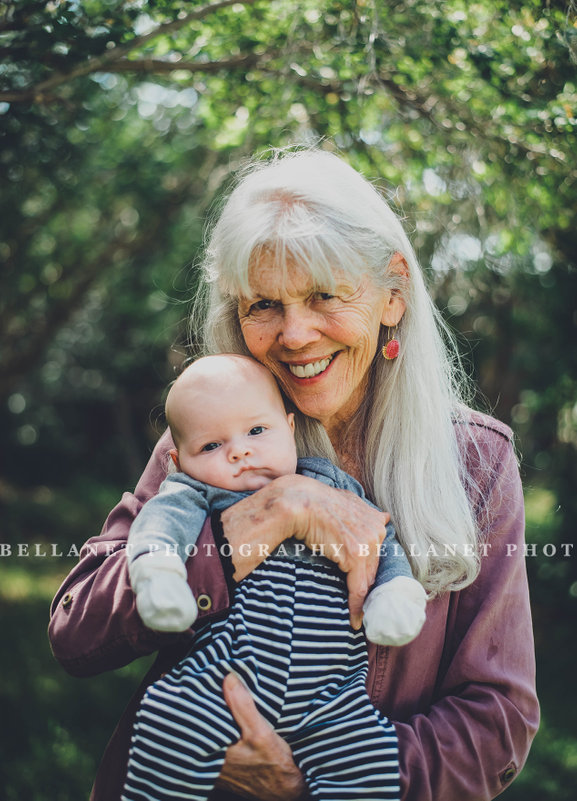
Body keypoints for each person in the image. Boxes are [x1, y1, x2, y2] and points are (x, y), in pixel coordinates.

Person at [49, 147, 540, 801]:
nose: (295, 334)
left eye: (322, 295)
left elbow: (497, 720)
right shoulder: (213, 439)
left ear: (391, 293)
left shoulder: (477, 461)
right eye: (264, 305)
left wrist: (307, 778)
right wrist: (266, 517)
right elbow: (76, 630)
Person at [122, 353, 426, 800]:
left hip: (332, 694)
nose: (239, 451)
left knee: (369, 761)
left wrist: (393, 589)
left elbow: (379, 536)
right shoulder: (194, 494)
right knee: (169, 719)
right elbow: (157, 530)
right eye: (211, 446)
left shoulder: (334, 489)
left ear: (289, 426)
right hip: (226, 677)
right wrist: (159, 573)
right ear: (178, 459)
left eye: (257, 431)